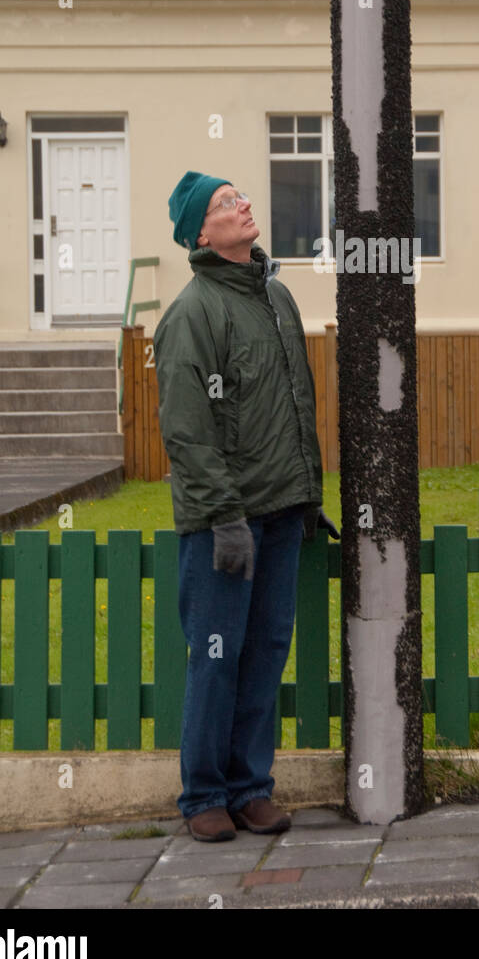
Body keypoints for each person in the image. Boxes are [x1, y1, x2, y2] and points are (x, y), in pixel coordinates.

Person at [153, 171, 338, 843]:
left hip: (282, 510)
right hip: (223, 522)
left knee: (264, 651)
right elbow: (186, 429)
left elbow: (292, 404)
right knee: (215, 654)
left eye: (241, 197)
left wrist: (304, 495)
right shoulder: (191, 313)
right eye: (226, 203)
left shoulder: (276, 297)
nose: (244, 206)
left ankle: (250, 789)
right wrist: (224, 516)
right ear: (199, 232)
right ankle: (203, 795)